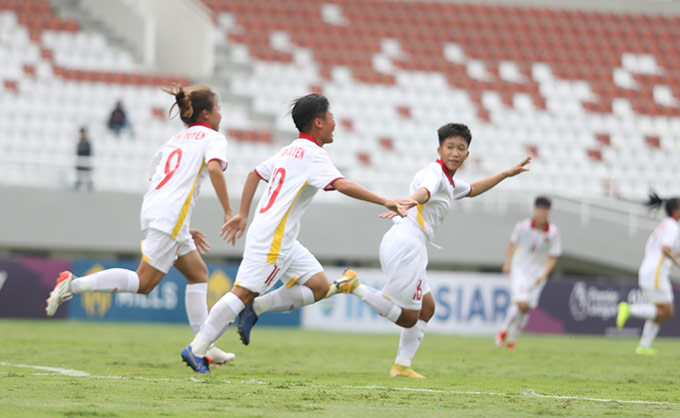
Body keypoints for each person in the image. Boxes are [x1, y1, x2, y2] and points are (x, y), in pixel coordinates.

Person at [180, 93, 415, 374]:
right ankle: (197, 349)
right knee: (241, 292)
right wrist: (385, 200)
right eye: (331, 117)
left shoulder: (290, 150)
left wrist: (243, 213)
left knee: (318, 286)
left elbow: (255, 173)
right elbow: (342, 185)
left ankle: (256, 308)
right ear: (318, 122)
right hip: (274, 237)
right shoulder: (314, 155)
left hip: (282, 236)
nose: (334, 123)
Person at [322, 123, 531, 378]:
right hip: (407, 244)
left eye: (460, 148)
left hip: (408, 241)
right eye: (450, 147)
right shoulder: (435, 172)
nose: (455, 152)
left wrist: (505, 174)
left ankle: (402, 365)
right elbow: (426, 191)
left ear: (467, 154)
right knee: (409, 317)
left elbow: (473, 190)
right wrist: (410, 201)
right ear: (439, 149)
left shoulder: (449, 181)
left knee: (427, 308)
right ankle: (354, 286)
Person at [47, 85, 236, 365]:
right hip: (169, 217)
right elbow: (214, 169)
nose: (220, 113)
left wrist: (182, 228)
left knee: (198, 273)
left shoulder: (173, 141)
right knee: (144, 282)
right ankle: (73, 285)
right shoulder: (213, 137)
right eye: (218, 108)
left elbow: (161, 183)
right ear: (207, 113)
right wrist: (228, 211)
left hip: (157, 210)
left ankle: (203, 345)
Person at [616, 192, 679, 355]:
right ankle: (629, 309)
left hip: (648, 270)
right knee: (667, 311)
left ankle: (644, 346)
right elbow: (665, 249)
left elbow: (663, 249)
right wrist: (677, 262)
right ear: (676, 210)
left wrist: (675, 254)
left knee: (658, 311)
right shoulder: (672, 225)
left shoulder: (664, 224)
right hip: (656, 273)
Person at [495, 196, 561, 350]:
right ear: (534, 210)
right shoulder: (523, 226)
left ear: (548, 212)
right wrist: (508, 262)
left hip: (537, 275)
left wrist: (544, 275)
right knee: (521, 301)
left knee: (526, 308)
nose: (541, 213)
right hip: (520, 270)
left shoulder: (553, 233)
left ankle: (511, 340)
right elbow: (512, 243)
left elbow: (554, 256)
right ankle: (503, 331)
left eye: (545, 210)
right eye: (539, 209)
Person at [74, 126, 94, 192]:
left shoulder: (87, 143)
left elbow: (89, 152)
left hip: (86, 162)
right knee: (79, 175)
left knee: (87, 175)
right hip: (80, 162)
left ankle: (89, 186)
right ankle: (78, 185)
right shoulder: (79, 143)